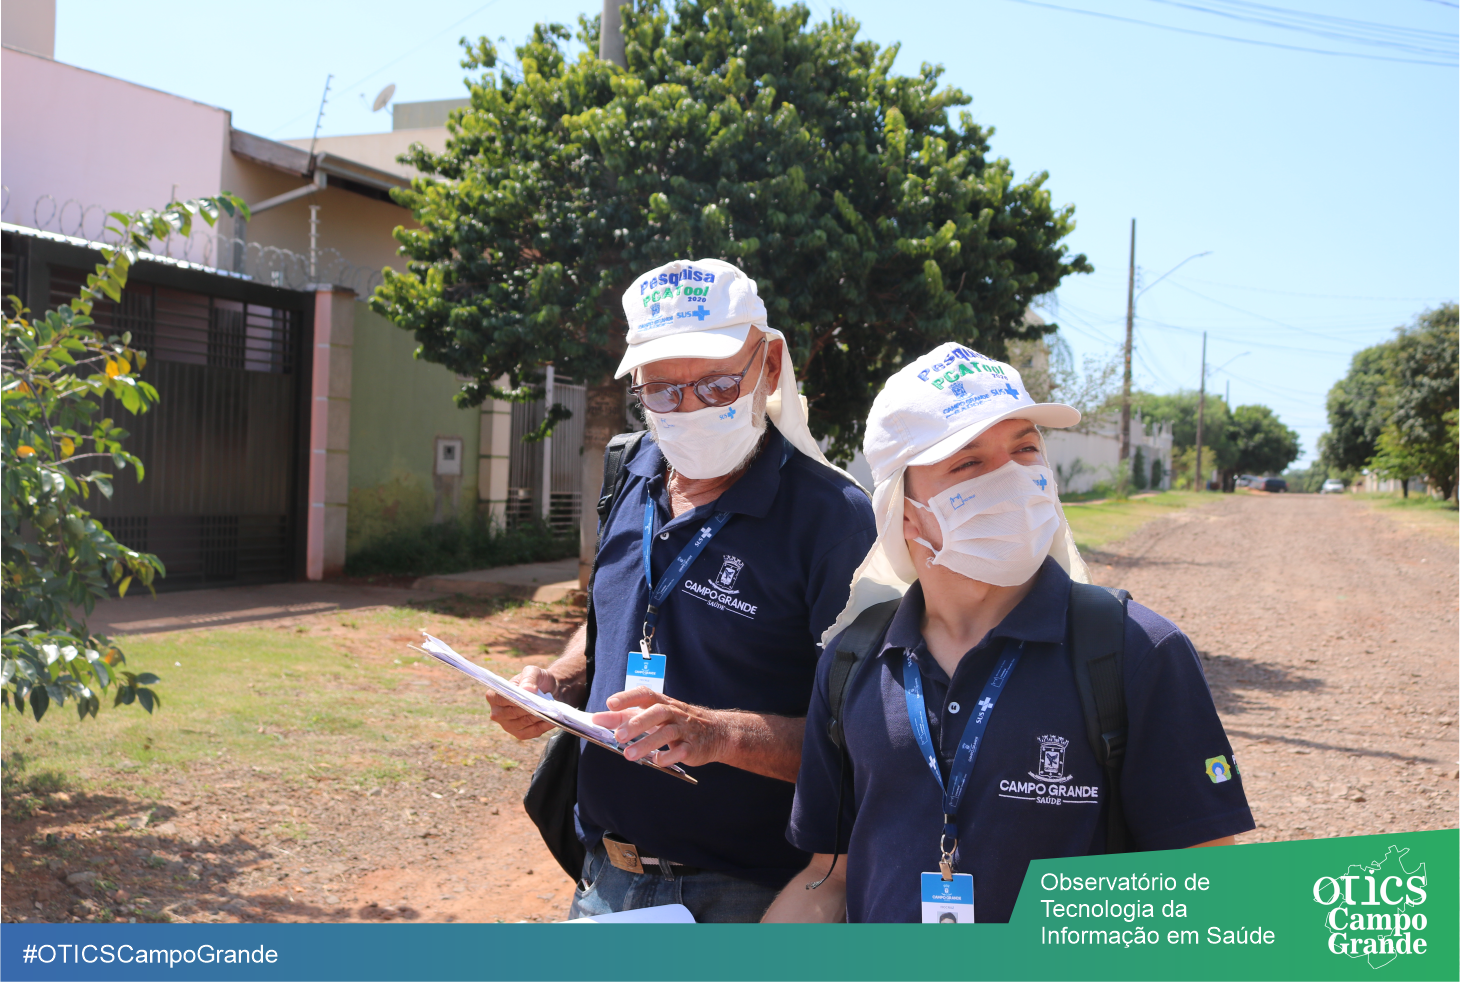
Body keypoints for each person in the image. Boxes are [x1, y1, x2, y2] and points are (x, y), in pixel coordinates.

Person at [765, 343, 1254, 924]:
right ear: (904, 512)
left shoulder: (1135, 651)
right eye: (969, 463)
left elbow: (1203, 893)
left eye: (1025, 449)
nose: (1014, 479)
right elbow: (831, 880)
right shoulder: (853, 663)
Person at [484, 258, 876, 922]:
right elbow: (613, 615)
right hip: (605, 881)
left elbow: (865, 740)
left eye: (718, 385)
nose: (689, 409)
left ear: (769, 365)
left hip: (747, 897)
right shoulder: (629, 470)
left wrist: (717, 734)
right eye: (663, 391)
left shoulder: (832, 518)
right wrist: (556, 683)